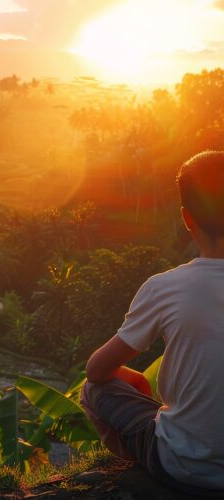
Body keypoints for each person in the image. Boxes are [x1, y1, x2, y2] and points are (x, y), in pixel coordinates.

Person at [81, 150, 224, 496]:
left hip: (184, 467)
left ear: (187, 219)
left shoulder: (166, 287)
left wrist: (136, 382)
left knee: (92, 390)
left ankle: (136, 464)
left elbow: (96, 370)